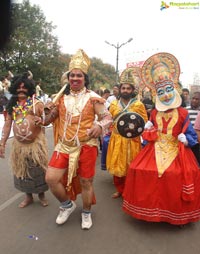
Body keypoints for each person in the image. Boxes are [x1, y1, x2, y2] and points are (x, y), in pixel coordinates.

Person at [35, 49, 112, 230]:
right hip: (64, 146)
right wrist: (44, 116)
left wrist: (99, 126)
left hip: (86, 146)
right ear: (68, 78)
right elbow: (49, 119)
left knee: (86, 182)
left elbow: (108, 118)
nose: (75, 78)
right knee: (51, 179)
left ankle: (86, 213)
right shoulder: (60, 99)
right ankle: (67, 205)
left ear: (85, 79)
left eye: (79, 76)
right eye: (72, 76)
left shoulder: (93, 98)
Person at [123, 52, 200, 226]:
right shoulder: (155, 112)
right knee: (138, 169)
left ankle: (176, 215)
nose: (165, 95)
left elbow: (192, 136)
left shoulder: (183, 113)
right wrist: (148, 129)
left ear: (175, 90)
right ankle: (149, 211)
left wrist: (186, 139)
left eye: (168, 90)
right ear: (156, 94)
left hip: (178, 150)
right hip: (155, 147)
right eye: (161, 92)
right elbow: (148, 134)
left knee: (176, 175)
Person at [0, 72, 49, 208]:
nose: (21, 90)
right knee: (23, 172)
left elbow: (46, 120)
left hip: (36, 145)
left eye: (24, 87)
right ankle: (28, 197)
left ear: (29, 88)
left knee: (38, 172)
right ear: (14, 88)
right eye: (18, 87)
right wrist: (2, 143)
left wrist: (42, 121)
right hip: (19, 146)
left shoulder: (37, 104)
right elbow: (8, 124)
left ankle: (41, 195)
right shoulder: (12, 105)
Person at [106, 67, 148, 198]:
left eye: (128, 88)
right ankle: (120, 189)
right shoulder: (113, 104)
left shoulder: (138, 105)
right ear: (119, 89)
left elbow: (144, 122)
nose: (125, 91)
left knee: (131, 166)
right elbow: (108, 120)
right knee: (117, 165)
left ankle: (130, 190)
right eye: (123, 88)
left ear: (132, 90)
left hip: (132, 140)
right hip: (117, 138)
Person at [186, 91, 200, 164]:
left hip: (197, 142)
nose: (194, 100)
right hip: (188, 140)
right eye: (193, 98)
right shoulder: (185, 110)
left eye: (197, 99)